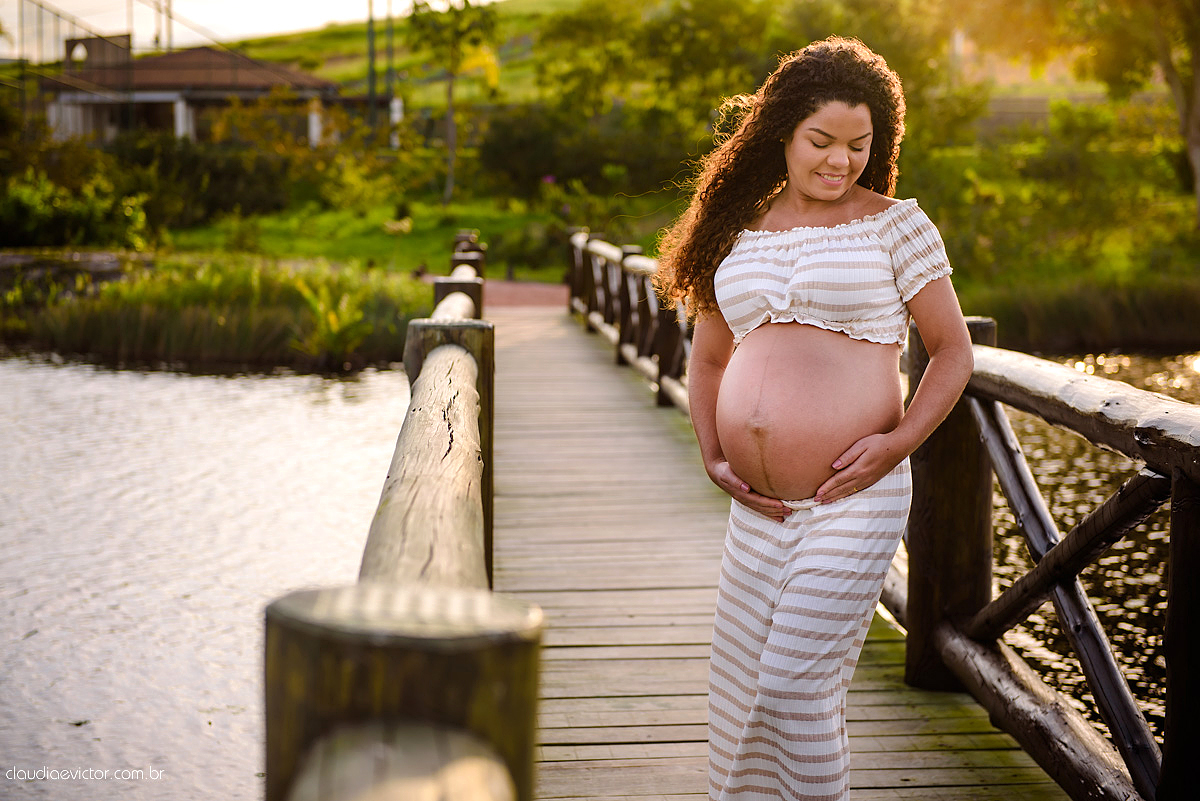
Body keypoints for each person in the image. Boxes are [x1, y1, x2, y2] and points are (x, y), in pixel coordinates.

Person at [653, 36, 974, 801]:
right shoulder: (738, 227)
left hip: (852, 497)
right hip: (758, 510)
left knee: (794, 685)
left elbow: (953, 352)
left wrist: (896, 444)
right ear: (783, 133)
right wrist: (713, 453)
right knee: (741, 689)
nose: (840, 160)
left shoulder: (896, 226)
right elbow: (709, 361)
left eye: (859, 145)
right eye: (822, 140)